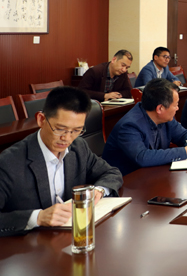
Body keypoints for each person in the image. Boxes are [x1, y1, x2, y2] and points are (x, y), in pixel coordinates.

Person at [0, 86, 123, 236]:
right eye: (60, 129)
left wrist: (98, 190)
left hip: (70, 238)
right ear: (41, 119)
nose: (67, 138)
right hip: (27, 244)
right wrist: (36, 218)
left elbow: (111, 173)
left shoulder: (79, 147)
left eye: (76, 130)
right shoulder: (9, 162)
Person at [102, 79, 187, 176]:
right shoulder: (129, 126)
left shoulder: (166, 118)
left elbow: (185, 134)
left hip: (152, 174)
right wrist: (185, 152)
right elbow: (142, 157)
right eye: (175, 105)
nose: (177, 108)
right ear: (160, 108)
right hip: (126, 180)